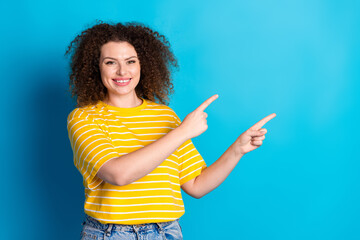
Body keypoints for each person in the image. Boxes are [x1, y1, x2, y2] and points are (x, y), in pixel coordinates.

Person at [66, 21, 276, 240]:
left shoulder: (165, 117)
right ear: (96, 67)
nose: (122, 71)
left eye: (131, 61)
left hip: (165, 233)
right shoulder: (83, 118)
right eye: (110, 62)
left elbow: (197, 185)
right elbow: (119, 174)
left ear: (143, 64)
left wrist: (237, 150)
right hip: (111, 234)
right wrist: (183, 132)